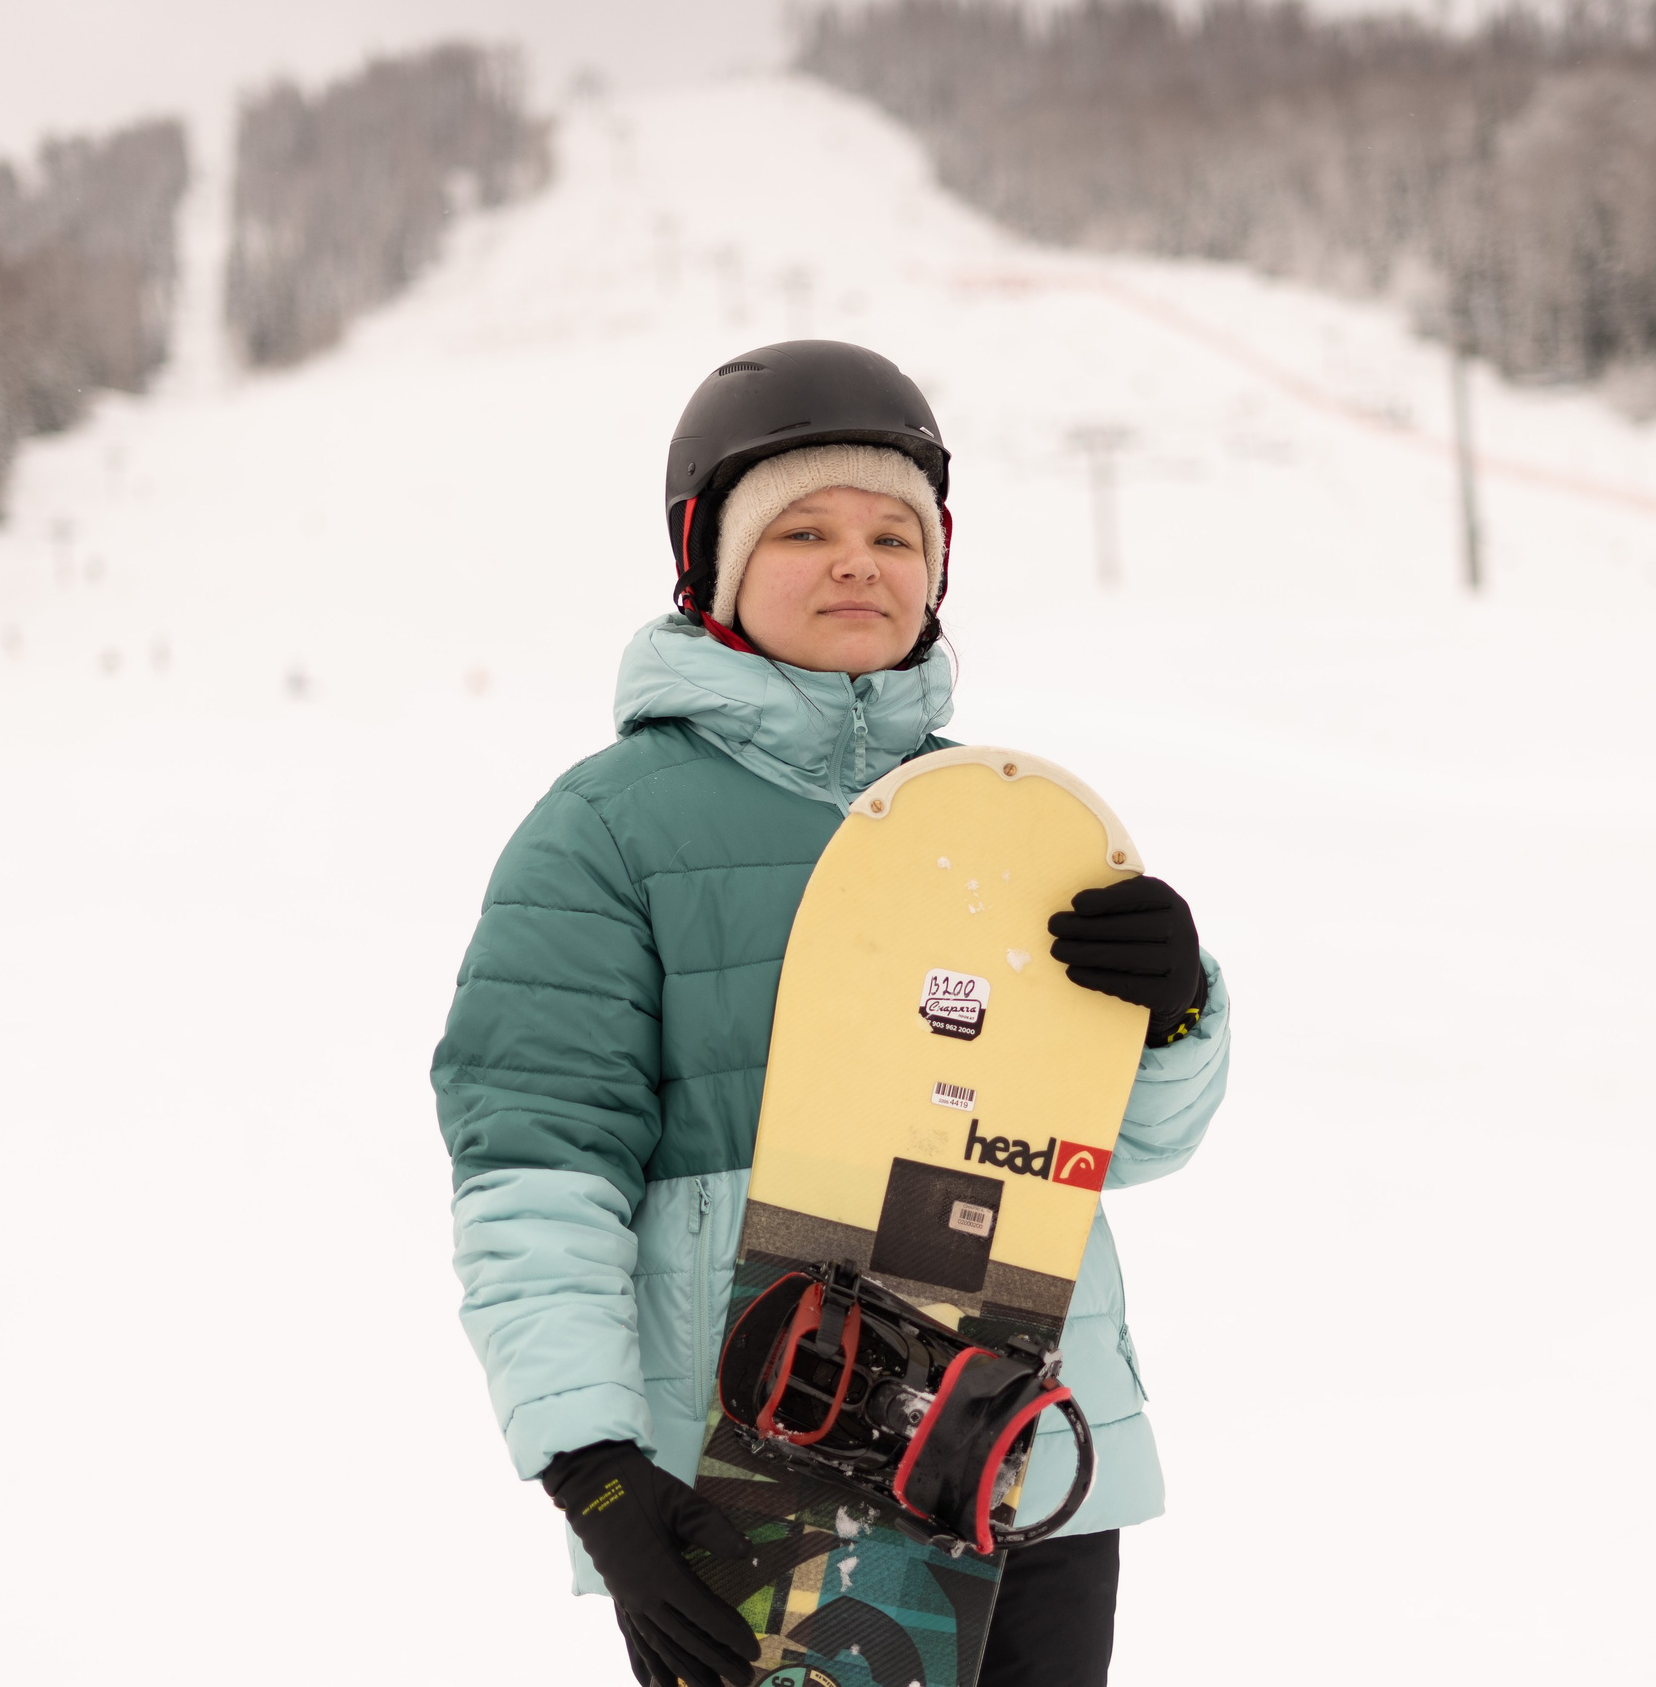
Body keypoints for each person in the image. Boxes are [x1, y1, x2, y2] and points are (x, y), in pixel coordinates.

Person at [433, 340, 1231, 1687]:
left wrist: (1174, 1016)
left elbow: (1128, 1150)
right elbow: (533, 1180)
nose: (857, 562)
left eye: (892, 532)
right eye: (802, 530)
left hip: (1023, 1447)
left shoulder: (1006, 821)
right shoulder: (604, 835)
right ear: (713, 567)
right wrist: (596, 1468)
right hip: (764, 1484)